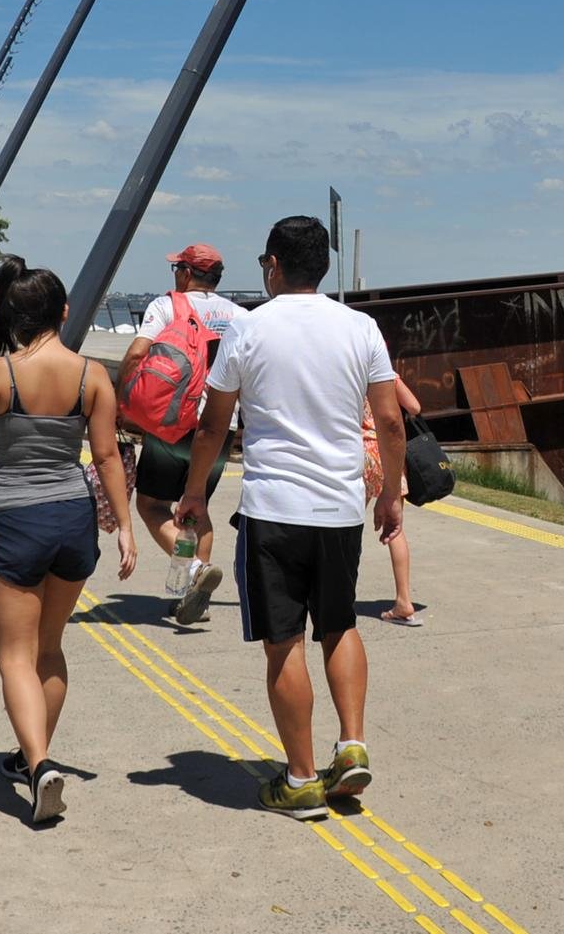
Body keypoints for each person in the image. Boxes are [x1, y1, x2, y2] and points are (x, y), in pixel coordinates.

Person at [177, 217, 403, 819]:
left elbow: (213, 424)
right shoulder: (361, 328)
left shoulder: (250, 329)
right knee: (340, 625)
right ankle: (351, 745)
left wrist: (195, 492)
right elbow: (391, 420)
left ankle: (301, 780)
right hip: (338, 509)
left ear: (273, 265)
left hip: (272, 511)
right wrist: (391, 495)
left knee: (284, 643)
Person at [0, 257, 138, 826]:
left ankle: (40, 764)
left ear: (11, 313)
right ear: (65, 312)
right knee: (50, 648)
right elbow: (107, 456)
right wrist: (124, 529)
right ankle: (27, 756)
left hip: (16, 522)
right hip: (73, 520)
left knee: (14, 655)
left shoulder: (2, 374)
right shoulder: (93, 374)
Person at [119, 243, 245, 625]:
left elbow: (138, 353)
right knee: (196, 507)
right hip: (221, 428)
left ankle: (193, 574)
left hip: (174, 423)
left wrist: (121, 398)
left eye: (177, 267)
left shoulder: (167, 306)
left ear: (186, 273)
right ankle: (192, 598)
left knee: (152, 505)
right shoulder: (239, 315)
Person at [364, 377, 425, 626]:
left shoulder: (346, 364)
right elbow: (414, 407)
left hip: (357, 451)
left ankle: (335, 595)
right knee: (395, 528)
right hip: (389, 454)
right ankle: (403, 600)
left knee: (346, 526)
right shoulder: (386, 374)